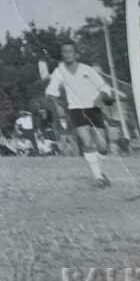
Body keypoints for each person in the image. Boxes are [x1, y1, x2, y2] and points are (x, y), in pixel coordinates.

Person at [44, 41, 116, 187]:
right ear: (62, 54)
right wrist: (58, 106)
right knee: (87, 142)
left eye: (70, 51)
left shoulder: (87, 69)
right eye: (64, 52)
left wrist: (99, 98)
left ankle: (99, 171)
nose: (67, 54)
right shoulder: (59, 71)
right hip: (76, 110)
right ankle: (98, 178)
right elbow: (50, 92)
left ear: (75, 53)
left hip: (93, 109)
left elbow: (105, 88)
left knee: (102, 147)